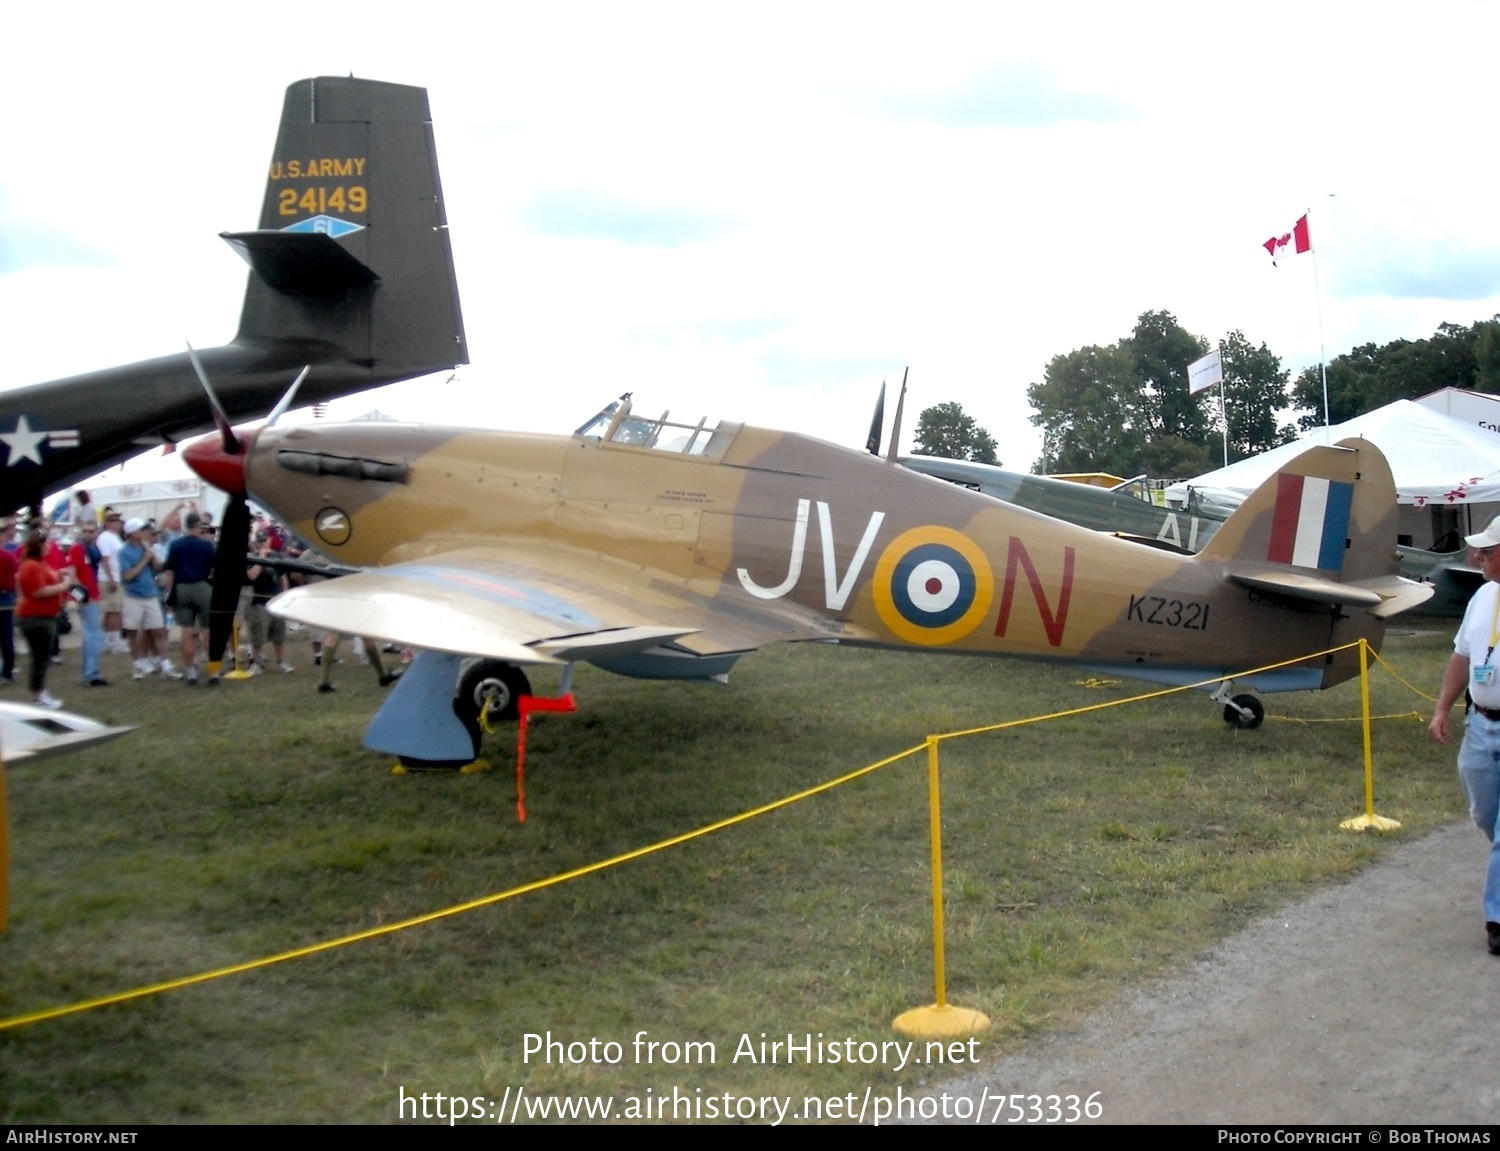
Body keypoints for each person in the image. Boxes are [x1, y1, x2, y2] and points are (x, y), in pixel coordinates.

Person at [1430, 513, 1500, 957]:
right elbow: (1463, 655)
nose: (1476, 556)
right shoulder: (1482, 598)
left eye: (1487, 551)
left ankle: (1496, 920)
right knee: (1484, 815)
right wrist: (1443, 707)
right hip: (1482, 725)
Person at [15, 528, 74, 709]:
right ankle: (38, 695)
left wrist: (59, 574)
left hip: (45, 616)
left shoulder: (39, 564)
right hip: (35, 617)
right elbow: (38, 591)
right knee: (40, 657)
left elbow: (47, 578)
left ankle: (39, 692)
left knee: (42, 656)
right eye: (46, 543)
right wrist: (63, 586)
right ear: (39, 545)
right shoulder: (30, 565)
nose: (49, 547)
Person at [66, 521, 107, 686]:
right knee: (93, 635)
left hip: (93, 594)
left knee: (94, 635)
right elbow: (72, 573)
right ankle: (90, 673)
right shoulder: (77, 548)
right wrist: (80, 597)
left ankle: (91, 671)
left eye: (91, 531)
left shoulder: (93, 548)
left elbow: (93, 570)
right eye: (85, 531)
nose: (88, 534)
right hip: (86, 597)